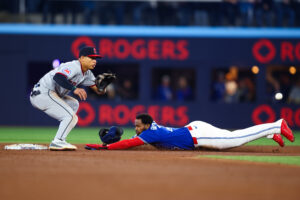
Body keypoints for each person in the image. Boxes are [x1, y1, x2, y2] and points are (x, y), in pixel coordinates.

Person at [30, 46, 106, 151]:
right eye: (91, 58)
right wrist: (74, 89)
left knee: (74, 104)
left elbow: (98, 90)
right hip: (43, 93)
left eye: (95, 59)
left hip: (51, 94)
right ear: (82, 58)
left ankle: (61, 138)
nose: (94, 61)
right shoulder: (73, 66)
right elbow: (58, 77)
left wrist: (104, 87)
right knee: (70, 116)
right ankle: (58, 141)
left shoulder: (87, 73)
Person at [86, 113, 295, 151]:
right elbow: (132, 140)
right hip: (195, 128)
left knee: (234, 139)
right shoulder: (151, 130)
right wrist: (108, 143)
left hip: (198, 135)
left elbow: (128, 144)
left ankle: (276, 125)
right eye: (135, 125)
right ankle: (268, 133)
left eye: (139, 125)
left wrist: (105, 147)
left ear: (147, 125)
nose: (136, 128)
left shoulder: (150, 133)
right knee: (234, 136)